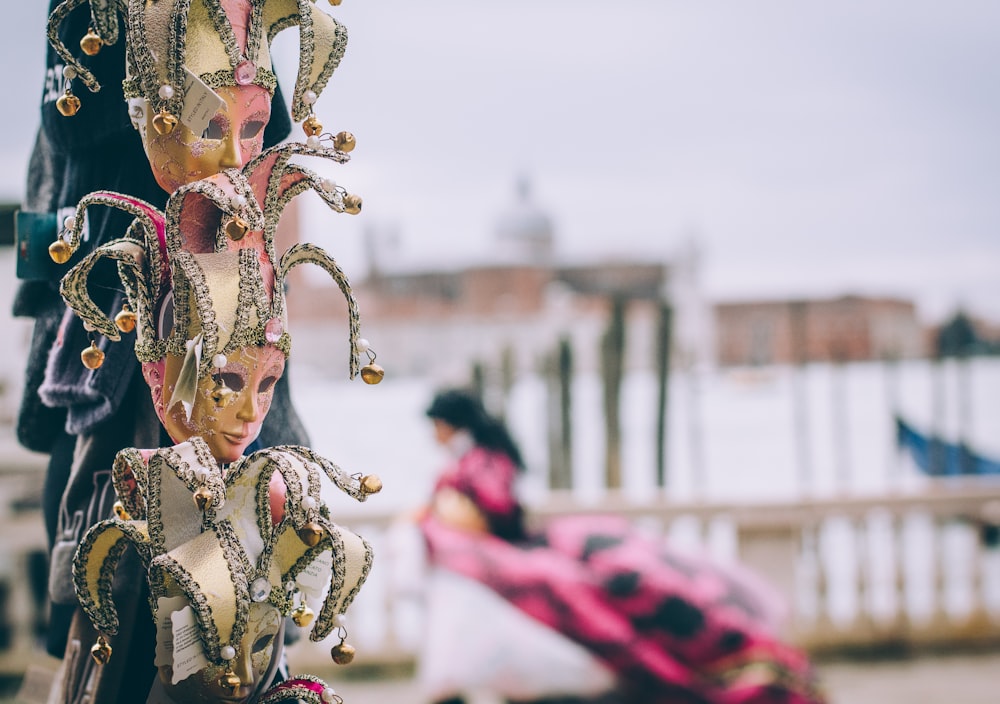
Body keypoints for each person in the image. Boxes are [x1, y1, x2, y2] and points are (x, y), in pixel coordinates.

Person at [53, 125, 381, 704]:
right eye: (228, 381)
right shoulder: (138, 491)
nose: (253, 413)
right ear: (159, 374)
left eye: (270, 382)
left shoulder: (275, 489)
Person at [418, 389, 827, 704]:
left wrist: (453, 500)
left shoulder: (481, 462)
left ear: (449, 423)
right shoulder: (477, 459)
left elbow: (499, 509)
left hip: (520, 549)